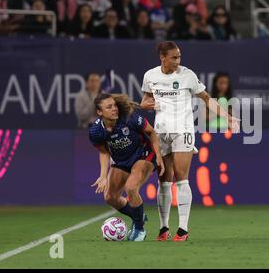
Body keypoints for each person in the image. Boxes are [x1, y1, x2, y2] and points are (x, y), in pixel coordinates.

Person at [140, 41, 239, 241]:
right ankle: (163, 228)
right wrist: (145, 105)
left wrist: (228, 117)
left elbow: (207, 99)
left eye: (179, 56)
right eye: (174, 57)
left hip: (183, 131)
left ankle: (183, 229)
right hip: (160, 132)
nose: (178, 60)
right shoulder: (150, 76)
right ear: (163, 57)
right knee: (164, 180)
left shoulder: (188, 75)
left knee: (181, 177)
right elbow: (145, 100)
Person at [89, 93, 165, 241]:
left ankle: (139, 229)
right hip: (121, 161)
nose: (114, 109)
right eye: (109, 107)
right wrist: (103, 176)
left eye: (114, 105)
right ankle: (138, 216)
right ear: (99, 112)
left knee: (130, 188)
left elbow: (151, 132)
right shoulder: (96, 131)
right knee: (110, 197)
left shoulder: (130, 118)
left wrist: (159, 155)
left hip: (144, 154)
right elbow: (104, 152)